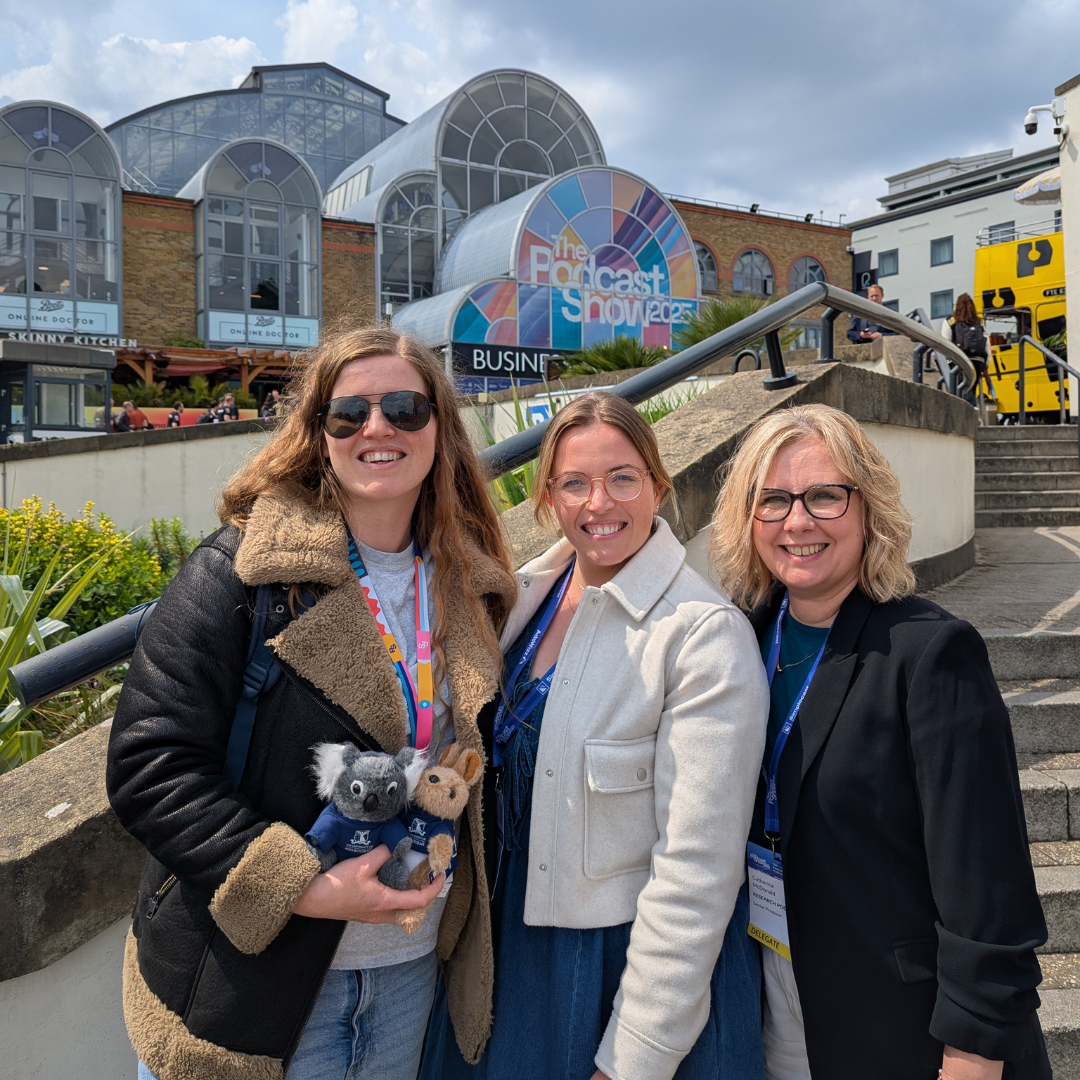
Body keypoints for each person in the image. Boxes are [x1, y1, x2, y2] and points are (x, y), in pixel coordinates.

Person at [106, 326, 516, 1080]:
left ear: (441, 428)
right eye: (348, 413)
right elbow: (149, 765)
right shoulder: (240, 575)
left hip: (405, 972)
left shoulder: (474, 586)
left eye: (404, 407)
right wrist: (303, 888)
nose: (378, 429)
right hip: (254, 982)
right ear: (317, 433)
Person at [423, 392, 769, 1080]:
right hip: (501, 952)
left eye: (622, 478)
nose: (598, 503)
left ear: (658, 487)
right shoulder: (519, 601)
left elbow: (697, 871)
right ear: (547, 497)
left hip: (616, 974)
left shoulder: (702, 634)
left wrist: (634, 1056)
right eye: (574, 482)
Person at [708, 403, 1050, 1080]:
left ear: (869, 509)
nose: (798, 520)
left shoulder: (930, 654)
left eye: (824, 496)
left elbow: (988, 889)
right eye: (772, 500)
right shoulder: (733, 645)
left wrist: (972, 1056)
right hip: (770, 1009)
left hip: (905, 1033)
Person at [942, 293, 991, 400]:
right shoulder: (979, 322)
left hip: (959, 360)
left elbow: (945, 342)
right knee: (971, 389)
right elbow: (987, 344)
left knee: (961, 392)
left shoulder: (950, 321)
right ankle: (973, 410)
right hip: (978, 361)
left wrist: (948, 362)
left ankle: (969, 412)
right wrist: (986, 364)